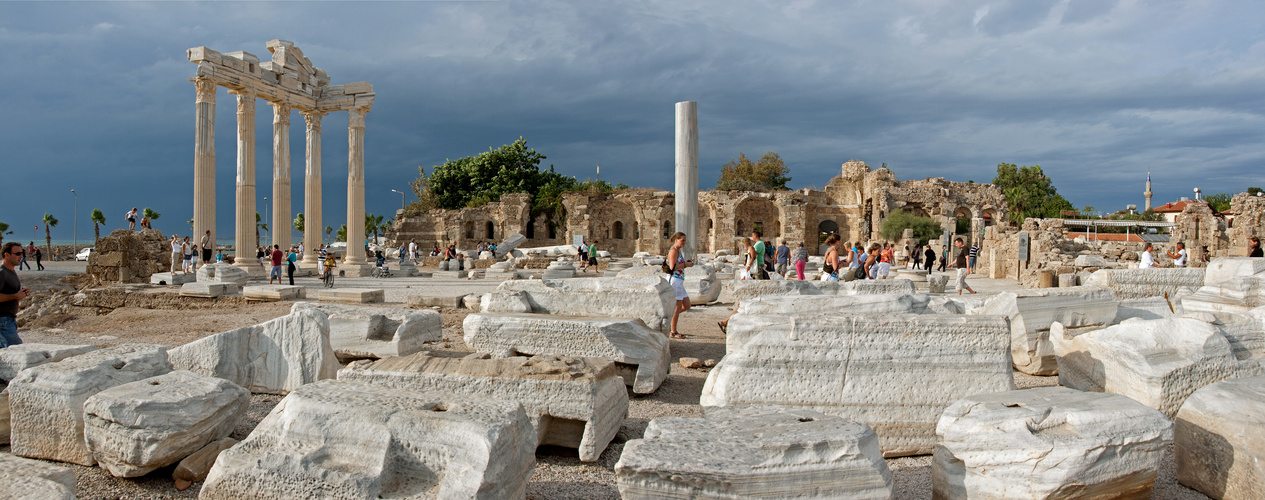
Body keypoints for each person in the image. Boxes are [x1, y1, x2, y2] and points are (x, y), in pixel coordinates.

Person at [1, 242, 32, 347]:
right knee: (16, 351)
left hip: (9, 320)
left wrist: (22, 293)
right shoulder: (2, 273)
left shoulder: (11, 272)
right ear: (7, 255)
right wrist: (15, 296)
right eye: (18, 254)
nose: (21, 256)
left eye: (22, 253)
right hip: (3, 321)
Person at [665, 232, 693, 339]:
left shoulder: (677, 250)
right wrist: (685, 264)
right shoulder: (673, 251)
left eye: (685, 240)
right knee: (677, 308)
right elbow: (672, 267)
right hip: (675, 281)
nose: (684, 243)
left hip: (679, 281)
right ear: (676, 240)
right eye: (683, 240)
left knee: (686, 305)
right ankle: (673, 331)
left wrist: (686, 264)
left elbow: (678, 265)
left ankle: (670, 320)